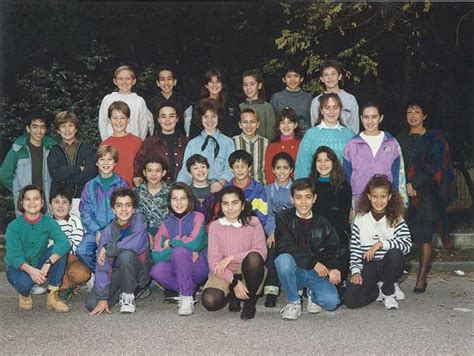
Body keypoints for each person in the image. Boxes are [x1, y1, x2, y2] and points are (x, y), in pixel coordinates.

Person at [397, 101, 456, 293]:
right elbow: (396, 166)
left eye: (417, 111)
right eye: (409, 112)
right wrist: (406, 184)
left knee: (424, 237)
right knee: (399, 235)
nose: (412, 115)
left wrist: (415, 183)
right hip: (403, 194)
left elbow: (435, 166)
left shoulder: (435, 139)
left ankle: (422, 277)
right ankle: (394, 275)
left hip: (427, 194)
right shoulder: (400, 140)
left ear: (425, 115)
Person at [275, 178, 341, 320]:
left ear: (314, 198)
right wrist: (313, 263)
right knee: (283, 260)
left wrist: (333, 268)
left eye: (308, 197)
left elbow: (333, 247)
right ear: (292, 199)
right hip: (295, 270)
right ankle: (294, 301)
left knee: (331, 302)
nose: (303, 202)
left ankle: (312, 294)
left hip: (315, 272)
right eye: (298, 198)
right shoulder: (284, 218)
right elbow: (285, 246)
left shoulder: (322, 222)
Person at [344, 175, 412, 310]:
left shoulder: (396, 219)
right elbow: (355, 249)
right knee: (350, 301)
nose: (379, 201)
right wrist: (356, 271)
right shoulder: (360, 219)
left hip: (388, 264)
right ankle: (376, 291)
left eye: (383, 196)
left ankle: (388, 290)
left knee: (395, 254)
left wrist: (382, 244)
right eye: (375, 196)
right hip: (369, 265)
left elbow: (407, 245)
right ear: (369, 197)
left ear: (389, 197)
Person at [201, 186, 268, 320]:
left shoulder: (253, 222)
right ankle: (232, 293)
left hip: (250, 270)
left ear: (243, 205)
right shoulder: (215, 226)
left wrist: (231, 257)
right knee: (210, 300)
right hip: (224, 272)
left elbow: (261, 253)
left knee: (254, 258)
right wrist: (234, 282)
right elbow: (214, 263)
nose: (230, 208)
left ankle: (250, 302)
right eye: (225, 203)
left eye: (235, 203)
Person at [4, 185, 70, 312]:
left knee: (59, 250)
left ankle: (52, 296)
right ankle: (24, 295)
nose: (32, 202)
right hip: (18, 266)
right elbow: (14, 256)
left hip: (39, 261)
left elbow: (64, 242)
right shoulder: (14, 226)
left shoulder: (48, 222)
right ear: (22, 202)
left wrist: (48, 263)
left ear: (42, 202)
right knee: (24, 284)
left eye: (36, 198)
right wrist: (31, 271)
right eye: (27, 199)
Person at [86, 188, 152, 315]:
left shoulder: (140, 220)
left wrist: (108, 248)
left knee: (126, 255)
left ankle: (128, 294)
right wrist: (103, 297)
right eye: (119, 205)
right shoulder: (107, 231)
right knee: (92, 304)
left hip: (139, 270)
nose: (124, 209)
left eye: (128, 205)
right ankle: (125, 289)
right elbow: (102, 264)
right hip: (117, 272)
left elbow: (136, 244)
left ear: (133, 209)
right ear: (113, 209)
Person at [150, 183, 209, 316]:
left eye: (183, 198)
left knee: (180, 252)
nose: (179, 202)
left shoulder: (198, 217)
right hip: (177, 267)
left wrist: (171, 242)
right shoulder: (166, 224)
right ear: (170, 201)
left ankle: (187, 298)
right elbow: (156, 255)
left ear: (189, 200)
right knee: (156, 271)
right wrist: (181, 248)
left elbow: (195, 244)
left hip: (198, 265)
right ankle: (187, 288)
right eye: (174, 199)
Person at [343, 102, 407, 209]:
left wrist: (401, 203)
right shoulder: (352, 144)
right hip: (359, 202)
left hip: (384, 202)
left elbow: (399, 175)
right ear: (361, 118)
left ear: (381, 118)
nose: (370, 121)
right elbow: (346, 175)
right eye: (366, 117)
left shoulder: (391, 143)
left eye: (374, 117)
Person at [77, 145, 129, 275]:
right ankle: (102, 273)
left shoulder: (122, 184)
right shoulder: (90, 185)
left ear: (115, 162)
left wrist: (111, 231)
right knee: (82, 251)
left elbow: (127, 211)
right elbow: (84, 211)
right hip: (94, 230)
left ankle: (115, 275)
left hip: (116, 230)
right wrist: (96, 230)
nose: (106, 163)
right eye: (102, 159)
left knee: (118, 251)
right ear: (96, 162)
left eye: (110, 159)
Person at [310, 146, 352, 295]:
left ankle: (338, 277)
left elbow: (343, 220)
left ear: (334, 162)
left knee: (338, 297)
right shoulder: (310, 186)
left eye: (327, 160)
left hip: (336, 237)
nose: (323, 164)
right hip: (313, 238)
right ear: (314, 164)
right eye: (319, 160)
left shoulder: (343, 187)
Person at [1, 113, 57, 216]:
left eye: (42, 127)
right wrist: (18, 189)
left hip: (45, 200)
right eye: (34, 127)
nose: (38, 131)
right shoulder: (17, 149)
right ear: (28, 129)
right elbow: (4, 175)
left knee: (45, 229)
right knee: (25, 229)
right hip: (25, 202)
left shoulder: (52, 148)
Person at [177, 99, 234, 193]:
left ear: (219, 118)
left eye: (213, 116)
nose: (209, 121)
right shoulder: (193, 143)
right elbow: (185, 170)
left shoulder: (228, 142)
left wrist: (221, 183)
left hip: (222, 189)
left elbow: (230, 168)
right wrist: (179, 189)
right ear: (200, 118)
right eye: (205, 116)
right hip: (197, 189)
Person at [47, 111, 97, 217]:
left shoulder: (87, 148)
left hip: (83, 197)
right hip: (60, 200)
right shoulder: (54, 151)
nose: (67, 129)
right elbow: (55, 174)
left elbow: (91, 173)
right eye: (63, 126)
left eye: (70, 126)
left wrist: (65, 179)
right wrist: (78, 168)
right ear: (58, 130)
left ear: (76, 129)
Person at [295, 93, 354, 178]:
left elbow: (354, 167)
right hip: (316, 186)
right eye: (327, 108)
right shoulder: (311, 134)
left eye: (335, 107)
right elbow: (303, 166)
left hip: (342, 186)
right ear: (321, 110)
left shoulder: (349, 135)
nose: (331, 112)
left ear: (340, 109)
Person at [263, 152, 294, 308]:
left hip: (291, 230)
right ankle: (271, 289)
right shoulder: (267, 190)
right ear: (273, 170)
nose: (282, 171)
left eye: (285, 168)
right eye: (278, 168)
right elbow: (267, 214)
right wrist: (271, 231)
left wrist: (281, 232)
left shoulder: (295, 189)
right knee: (271, 246)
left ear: (291, 170)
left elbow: (297, 215)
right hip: (273, 230)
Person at [49, 187, 90, 302]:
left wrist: (63, 249)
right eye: (56, 202)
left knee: (81, 274)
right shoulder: (47, 222)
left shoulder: (75, 220)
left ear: (70, 206)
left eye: (64, 202)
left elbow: (77, 240)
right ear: (50, 205)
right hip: (53, 257)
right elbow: (47, 243)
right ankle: (63, 286)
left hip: (72, 257)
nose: (60, 206)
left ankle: (67, 285)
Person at [133, 102, 188, 184]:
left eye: (171, 116)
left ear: (177, 119)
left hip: (182, 188)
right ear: (158, 119)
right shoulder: (150, 142)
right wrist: (139, 176)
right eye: (163, 116)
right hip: (158, 188)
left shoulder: (186, 142)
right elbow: (139, 162)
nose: (167, 120)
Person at [98, 65, 153, 140]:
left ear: (133, 81)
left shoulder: (139, 101)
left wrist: (139, 143)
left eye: (128, 78)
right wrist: (106, 142)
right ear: (115, 81)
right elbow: (102, 123)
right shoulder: (108, 99)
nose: (124, 82)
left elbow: (143, 125)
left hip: (133, 144)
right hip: (112, 145)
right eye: (120, 79)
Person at [310, 59, 359, 134]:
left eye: (333, 74)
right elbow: (314, 128)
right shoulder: (316, 102)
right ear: (321, 79)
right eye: (326, 75)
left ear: (339, 76)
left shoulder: (350, 99)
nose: (330, 77)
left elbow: (355, 128)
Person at [101, 101, 143, 187]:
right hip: (112, 192)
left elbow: (143, 168)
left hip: (133, 192)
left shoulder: (137, 142)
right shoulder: (105, 144)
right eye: (115, 118)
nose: (119, 121)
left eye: (122, 118)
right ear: (109, 120)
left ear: (128, 120)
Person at [189, 68, 241, 138]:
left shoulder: (231, 104)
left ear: (222, 85)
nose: (214, 85)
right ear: (206, 85)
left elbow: (236, 128)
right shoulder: (199, 105)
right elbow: (194, 130)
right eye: (211, 81)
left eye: (218, 81)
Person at [147, 65, 193, 136]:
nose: (166, 83)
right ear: (158, 83)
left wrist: (187, 139)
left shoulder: (184, 102)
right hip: (158, 142)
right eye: (162, 79)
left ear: (175, 82)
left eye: (169, 79)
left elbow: (188, 124)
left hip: (180, 142)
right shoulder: (151, 104)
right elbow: (151, 126)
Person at [227, 150, 268, 229]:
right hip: (231, 230)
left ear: (249, 168)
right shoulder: (226, 189)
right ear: (231, 169)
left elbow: (262, 216)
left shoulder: (258, 189)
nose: (240, 170)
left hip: (253, 229)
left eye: (243, 166)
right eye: (236, 166)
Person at [264, 106, 302, 184]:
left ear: (295, 125)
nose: (286, 126)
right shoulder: (272, 146)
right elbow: (269, 172)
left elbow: (304, 169)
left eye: (290, 122)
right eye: (282, 123)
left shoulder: (302, 145)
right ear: (278, 126)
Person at [270, 65, 312, 132]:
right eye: (289, 76)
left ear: (301, 79)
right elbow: (272, 123)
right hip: (282, 137)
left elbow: (310, 122)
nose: (292, 80)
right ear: (284, 79)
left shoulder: (308, 98)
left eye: (296, 76)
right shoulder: (276, 98)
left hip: (303, 138)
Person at [134, 157, 169, 236]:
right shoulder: (136, 192)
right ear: (144, 173)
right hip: (140, 234)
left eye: (157, 170)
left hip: (165, 235)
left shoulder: (171, 193)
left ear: (163, 173)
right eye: (149, 170)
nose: (153, 174)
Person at [232, 108, 269, 184]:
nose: (249, 126)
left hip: (260, 188)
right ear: (240, 125)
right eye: (245, 122)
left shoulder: (266, 143)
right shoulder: (233, 142)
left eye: (252, 122)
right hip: (239, 189)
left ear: (258, 124)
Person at [239, 69, 276, 140]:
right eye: (245, 85)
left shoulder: (267, 107)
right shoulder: (240, 107)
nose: (248, 88)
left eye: (252, 84)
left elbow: (271, 135)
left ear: (259, 85)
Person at [186, 154, 214, 223]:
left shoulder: (216, 190)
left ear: (208, 170)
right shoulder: (186, 192)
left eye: (203, 167)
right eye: (195, 168)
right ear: (189, 173)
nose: (200, 170)